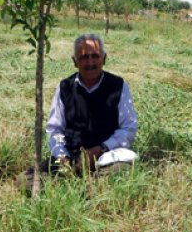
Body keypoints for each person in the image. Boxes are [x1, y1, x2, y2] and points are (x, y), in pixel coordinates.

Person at [26, 34, 138, 186]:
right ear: (74, 61)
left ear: (104, 59)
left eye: (95, 56)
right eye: (84, 57)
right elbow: (54, 129)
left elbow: (128, 128)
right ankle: (78, 185)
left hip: (107, 157)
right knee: (26, 181)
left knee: (119, 172)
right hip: (71, 158)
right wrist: (62, 157)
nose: (90, 62)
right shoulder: (65, 87)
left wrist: (100, 149)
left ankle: (86, 186)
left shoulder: (118, 86)